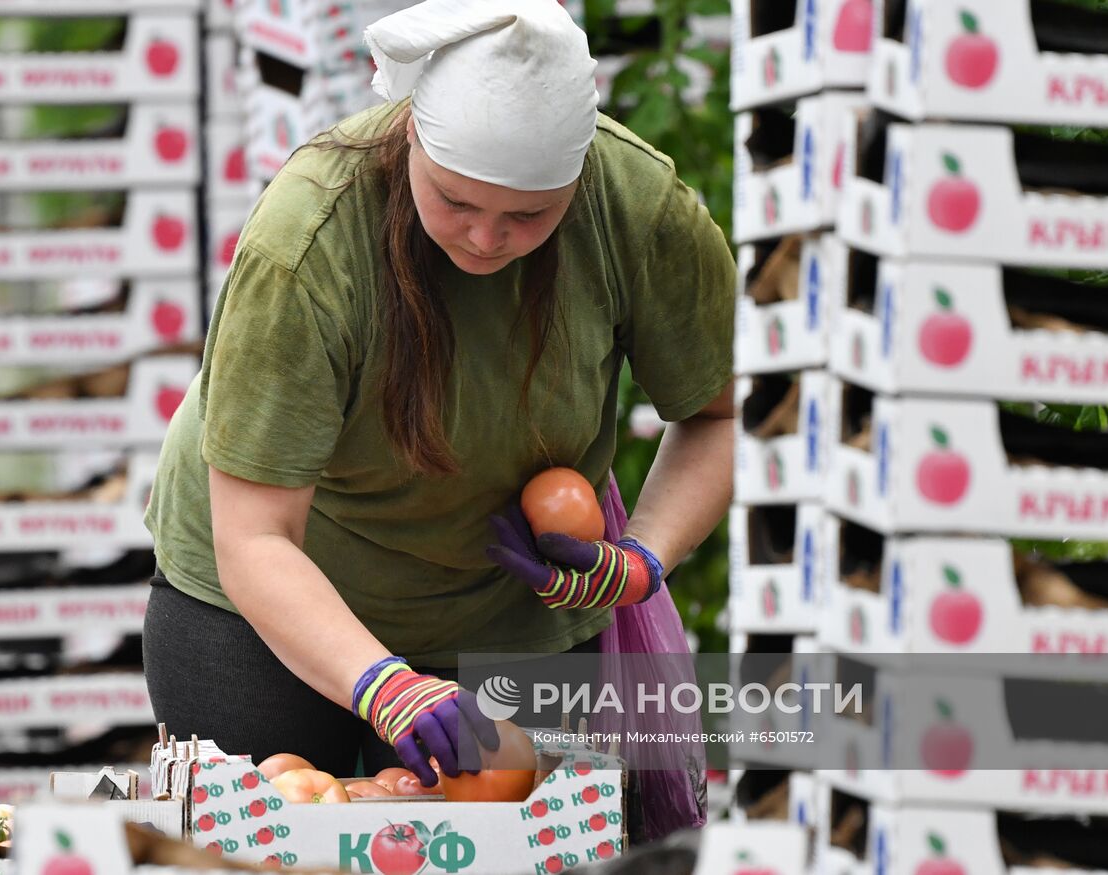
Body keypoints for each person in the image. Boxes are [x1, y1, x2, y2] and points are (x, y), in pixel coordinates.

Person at [142, 0, 735, 788]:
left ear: (580, 175)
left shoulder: (638, 211)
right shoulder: (307, 244)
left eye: (530, 215)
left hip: (506, 616)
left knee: (513, 845)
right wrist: (387, 685)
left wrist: (639, 560)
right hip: (265, 602)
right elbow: (254, 537)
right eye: (456, 201)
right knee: (268, 840)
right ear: (411, 132)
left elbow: (722, 415)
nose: (486, 238)